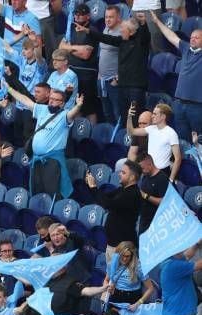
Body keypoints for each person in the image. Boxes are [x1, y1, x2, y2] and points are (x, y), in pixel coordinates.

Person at [7, 86, 85, 199]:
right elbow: (25, 100)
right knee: (37, 192)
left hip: (52, 161)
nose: (52, 101)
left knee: (52, 193)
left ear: (62, 104)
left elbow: (72, 114)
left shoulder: (64, 115)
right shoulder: (42, 109)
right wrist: (10, 89)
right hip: (36, 159)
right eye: (51, 98)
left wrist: (78, 105)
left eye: (55, 99)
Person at [149, 10, 202, 141]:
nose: (192, 39)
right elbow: (171, 36)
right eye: (192, 37)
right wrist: (157, 22)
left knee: (199, 141)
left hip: (197, 106)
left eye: (197, 37)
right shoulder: (185, 49)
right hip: (178, 104)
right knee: (182, 140)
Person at [86, 161, 143, 255]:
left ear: (132, 177)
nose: (119, 174)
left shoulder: (133, 194)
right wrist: (90, 184)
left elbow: (107, 203)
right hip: (113, 244)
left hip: (122, 247)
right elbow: (102, 197)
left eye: (123, 173)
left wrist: (93, 187)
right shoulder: (122, 189)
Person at [160, 246, 202, 315]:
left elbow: (187, 256)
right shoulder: (174, 266)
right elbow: (198, 265)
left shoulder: (170, 260)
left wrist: (197, 244)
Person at [127, 102, 181, 183]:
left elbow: (178, 158)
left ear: (163, 117)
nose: (152, 116)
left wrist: (171, 179)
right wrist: (129, 116)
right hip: (148, 170)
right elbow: (131, 131)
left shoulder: (171, 133)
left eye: (155, 114)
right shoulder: (151, 129)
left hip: (162, 172)